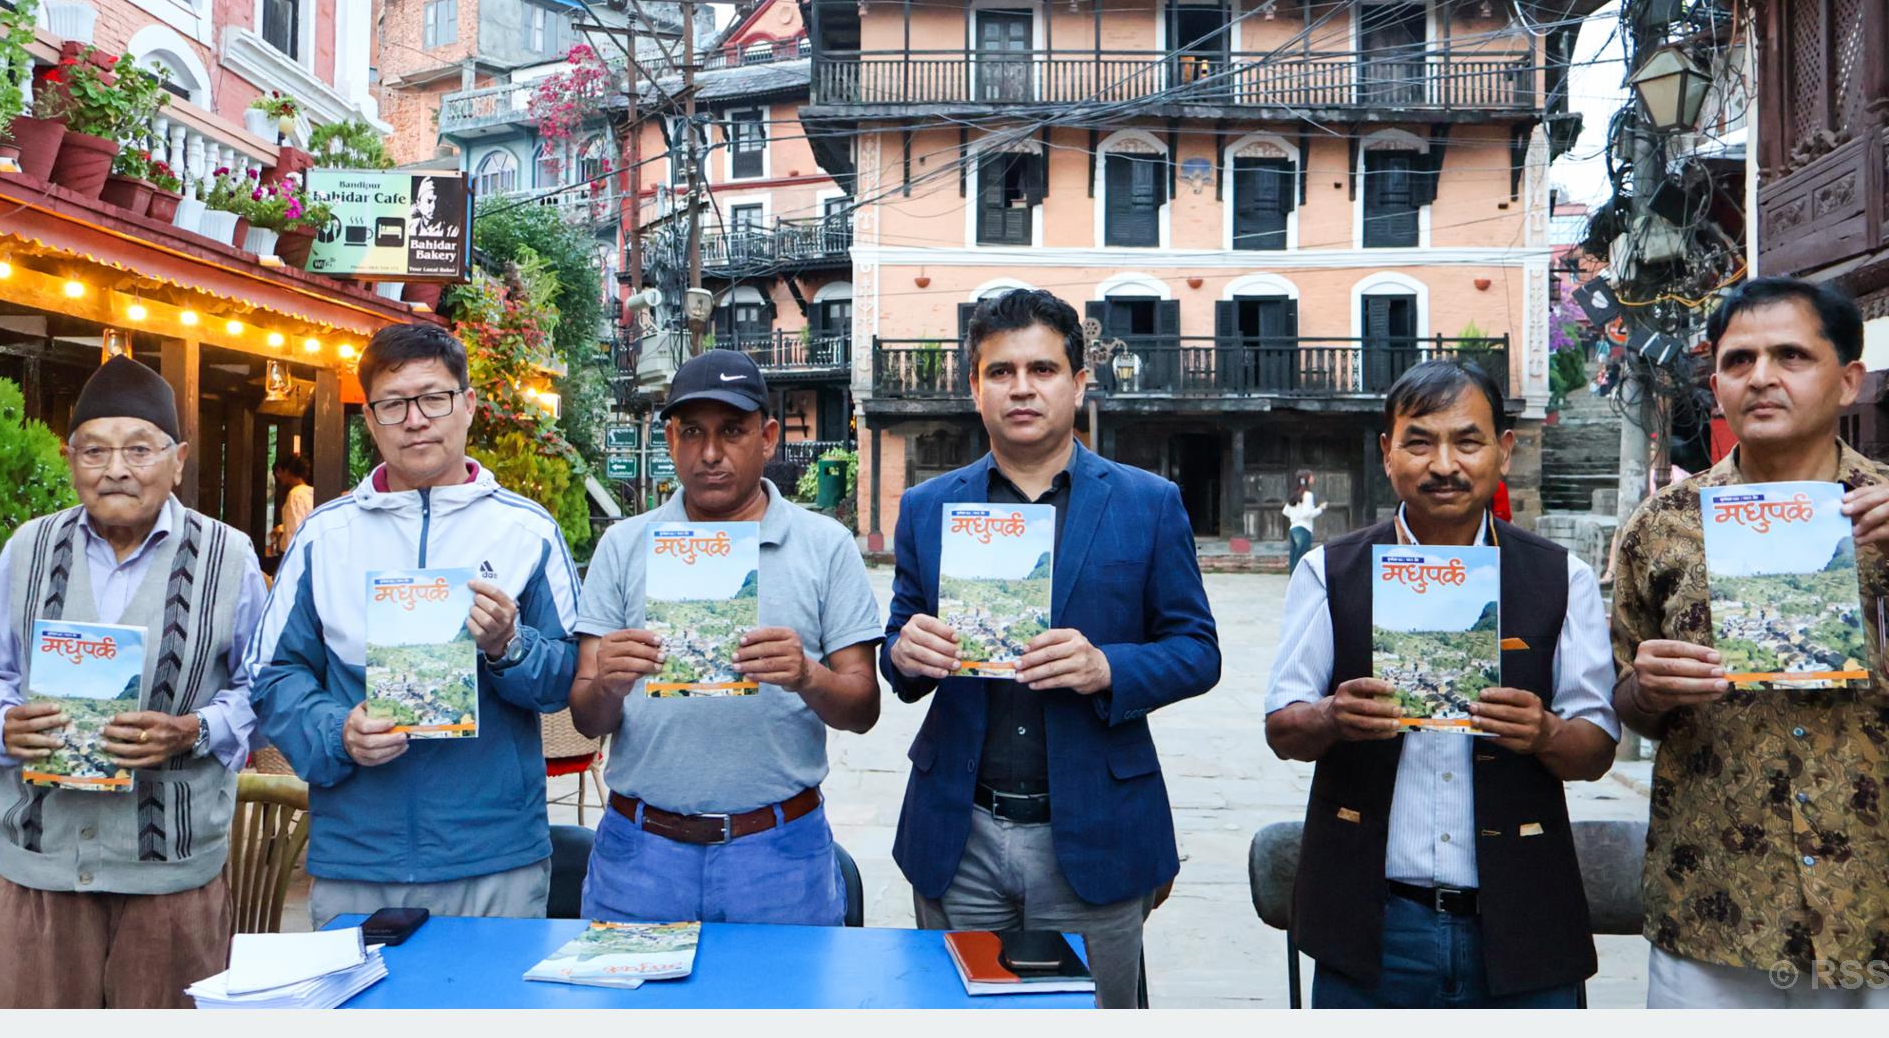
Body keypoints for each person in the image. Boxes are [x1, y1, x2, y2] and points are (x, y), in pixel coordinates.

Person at [883, 288, 1222, 1008]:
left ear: (1078, 381)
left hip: (1095, 829)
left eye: (1042, 368)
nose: (1022, 387)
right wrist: (905, 651)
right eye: (1000, 371)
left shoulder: (1147, 503)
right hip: (960, 828)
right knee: (960, 1013)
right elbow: (899, 650)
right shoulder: (928, 507)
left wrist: (1109, 666)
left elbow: (1197, 648)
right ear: (974, 387)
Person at [1265, 359, 1618, 1008]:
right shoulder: (1329, 571)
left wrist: (1544, 732)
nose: (1444, 463)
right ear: (1387, 452)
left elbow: (1596, 748)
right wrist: (1332, 716)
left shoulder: (1558, 577)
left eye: (1468, 440)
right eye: (1420, 441)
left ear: (1504, 451)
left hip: (1522, 919)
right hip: (1372, 922)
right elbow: (1282, 727)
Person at [1610, 277, 1889, 1008]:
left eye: (1791, 355)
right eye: (1739, 361)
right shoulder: (1659, 526)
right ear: (1717, 385)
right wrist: (1646, 689)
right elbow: (1628, 704)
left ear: (1848, 380)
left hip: (1876, 902)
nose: (1761, 377)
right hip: (1713, 912)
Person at [248, 323, 579, 928]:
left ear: (468, 405)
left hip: (495, 858)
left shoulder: (527, 531)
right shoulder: (325, 536)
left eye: (434, 398)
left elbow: (566, 680)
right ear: (370, 420)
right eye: (393, 404)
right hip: (358, 859)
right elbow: (271, 676)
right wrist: (336, 732)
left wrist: (510, 645)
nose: (415, 419)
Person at [0, 355, 265, 1007]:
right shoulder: (28, 547)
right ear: (69, 457)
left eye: (139, 448)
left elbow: (261, 686)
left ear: (179, 458)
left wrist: (195, 728)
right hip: (38, 874)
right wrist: (0, 722)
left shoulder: (229, 557)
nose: (117, 469)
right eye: (95, 450)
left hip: (172, 883)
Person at [567, 350, 882, 925]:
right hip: (641, 852)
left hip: (779, 851)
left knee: (778, 1010)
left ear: (767, 437)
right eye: (693, 433)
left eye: (732, 432)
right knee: (626, 1015)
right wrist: (608, 682)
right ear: (670, 439)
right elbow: (588, 719)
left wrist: (807, 675)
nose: (710, 454)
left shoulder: (824, 544)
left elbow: (863, 708)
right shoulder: (623, 545)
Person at [1283, 470, 1326, 573]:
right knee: (1302, 558)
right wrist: (1320, 509)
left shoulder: (1294, 494)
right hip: (1303, 529)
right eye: (1311, 476)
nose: (1313, 478)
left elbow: (1285, 511)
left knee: (1294, 559)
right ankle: (1300, 583)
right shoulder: (1308, 495)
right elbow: (1306, 514)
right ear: (1307, 479)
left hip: (1293, 528)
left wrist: (1295, 517)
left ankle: (1293, 583)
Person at [273, 454, 314, 554]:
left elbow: (294, 531)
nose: (278, 477)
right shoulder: (312, 492)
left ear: (286, 472)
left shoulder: (295, 495)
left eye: (278, 473)